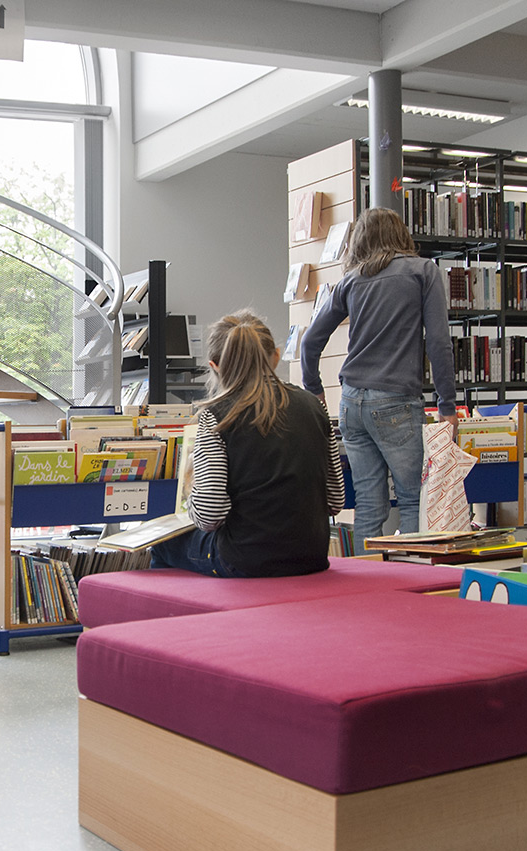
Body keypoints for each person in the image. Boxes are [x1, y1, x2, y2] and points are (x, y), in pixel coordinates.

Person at [299, 207, 457, 538]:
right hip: (396, 401)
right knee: (413, 499)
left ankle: (364, 571)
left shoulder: (351, 281)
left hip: (351, 403)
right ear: (400, 234)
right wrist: (447, 404)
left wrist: (314, 389)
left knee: (369, 504)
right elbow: (439, 342)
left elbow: (310, 342)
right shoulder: (422, 271)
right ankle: (407, 571)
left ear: (360, 240)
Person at [150, 309, 345, 577]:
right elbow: (336, 500)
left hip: (245, 559)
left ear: (215, 366)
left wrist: (191, 498)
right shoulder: (315, 406)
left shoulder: (216, 416)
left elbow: (209, 515)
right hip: (311, 556)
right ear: (275, 357)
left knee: (162, 545)